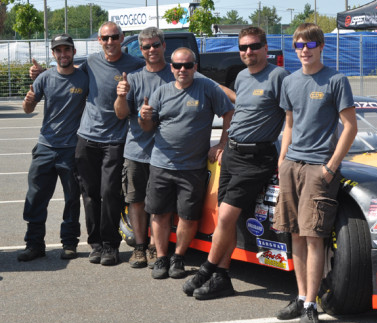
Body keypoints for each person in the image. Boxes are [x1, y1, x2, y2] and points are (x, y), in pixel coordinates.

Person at [182, 27, 289, 300]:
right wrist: (222, 145)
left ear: (266, 48)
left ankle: (206, 270)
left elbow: (291, 120)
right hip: (232, 153)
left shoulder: (279, 77)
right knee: (224, 220)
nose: (248, 52)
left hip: (256, 158)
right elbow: (240, 110)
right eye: (243, 48)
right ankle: (222, 278)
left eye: (254, 46)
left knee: (227, 217)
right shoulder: (241, 76)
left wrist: (284, 157)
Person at [273, 23, 357, 323]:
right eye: (299, 45)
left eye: (309, 45)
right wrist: (283, 159)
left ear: (321, 46)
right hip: (291, 165)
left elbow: (350, 127)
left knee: (314, 236)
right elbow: (290, 123)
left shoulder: (336, 80)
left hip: (318, 168)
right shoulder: (290, 81)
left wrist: (331, 166)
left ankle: (311, 303)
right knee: (295, 233)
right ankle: (300, 296)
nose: (304, 50)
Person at [139, 47, 234, 280]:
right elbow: (148, 128)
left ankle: (179, 257)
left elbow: (229, 113)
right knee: (160, 214)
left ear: (195, 67)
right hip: (161, 164)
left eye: (188, 65)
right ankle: (162, 257)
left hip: (192, 167)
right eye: (178, 65)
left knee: (188, 216)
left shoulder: (208, 89)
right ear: (171, 68)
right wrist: (144, 118)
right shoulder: (160, 92)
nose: (183, 69)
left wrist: (222, 143)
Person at [75, 22, 145, 266]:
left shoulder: (135, 65)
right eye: (105, 38)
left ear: (122, 38)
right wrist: (41, 74)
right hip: (86, 138)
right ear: (99, 40)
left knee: (110, 193)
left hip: (115, 141)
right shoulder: (91, 63)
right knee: (90, 193)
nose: (110, 42)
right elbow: (68, 76)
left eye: (114, 37)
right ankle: (95, 244)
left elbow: (161, 74)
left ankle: (111, 245)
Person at [18, 34, 88, 262]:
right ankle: (34, 244)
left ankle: (69, 243)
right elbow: (28, 109)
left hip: (71, 149)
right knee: (36, 197)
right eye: (58, 50)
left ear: (73, 52)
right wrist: (28, 101)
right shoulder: (45, 78)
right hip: (46, 147)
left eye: (67, 49)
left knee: (71, 199)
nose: (63, 54)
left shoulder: (84, 78)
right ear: (53, 54)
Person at [114, 27, 171, 269]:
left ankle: (155, 248)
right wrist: (120, 96)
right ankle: (139, 248)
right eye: (146, 47)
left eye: (155, 45)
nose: (151, 50)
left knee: (162, 205)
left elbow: (212, 89)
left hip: (167, 154)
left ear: (163, 46)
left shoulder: (178, 72)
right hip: (137, 151)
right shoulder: (134, 78)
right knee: (136, 200)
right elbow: (120, 114)